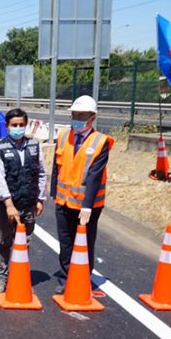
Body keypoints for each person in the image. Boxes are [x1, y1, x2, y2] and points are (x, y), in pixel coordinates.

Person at [51, 95, 113, 294]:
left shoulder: (100, 142)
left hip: (87, 206)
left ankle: (83, 279)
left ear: (92, 117)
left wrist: (87, 206)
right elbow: (56, 167)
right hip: (63, 200)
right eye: (74, 114)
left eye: (82, 115)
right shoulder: (62, 136)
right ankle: (65, 278)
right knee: (66, 242)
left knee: (85, 243)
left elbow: (95, 176)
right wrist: (53, 193)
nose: (77, 118)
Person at [0, 108, 47, 294]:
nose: (18, 128)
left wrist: (40, 199)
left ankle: (18, 275)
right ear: (7, 126)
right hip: (6, 207)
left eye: (21, 125)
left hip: (28, 204)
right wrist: (9, 205)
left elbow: (42, 173)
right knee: (4, 242)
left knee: (24, 242)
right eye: (14, 125)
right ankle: (1, 276)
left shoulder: (34, 147)